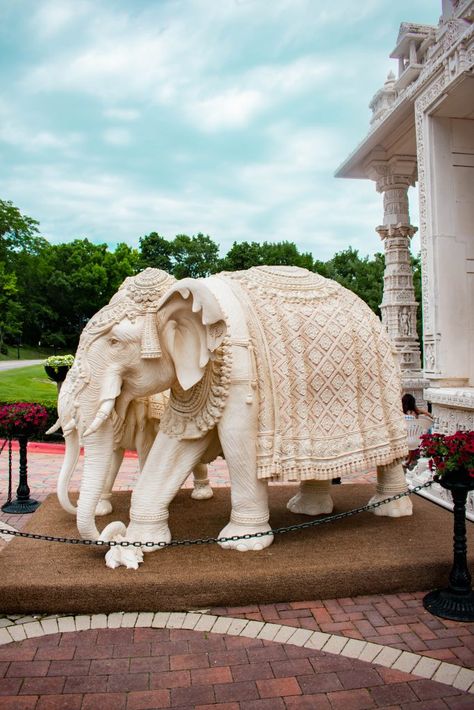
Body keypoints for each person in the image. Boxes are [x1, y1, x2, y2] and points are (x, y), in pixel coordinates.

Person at [402, 394, 433, 469]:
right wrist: (420, 410)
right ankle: (409, 460)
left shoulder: (401, 413)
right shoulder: (416, 412)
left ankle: (407, 459)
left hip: (404, 439)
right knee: (413, 438)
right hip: (416, 440)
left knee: (409, 437)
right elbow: (431, 416)